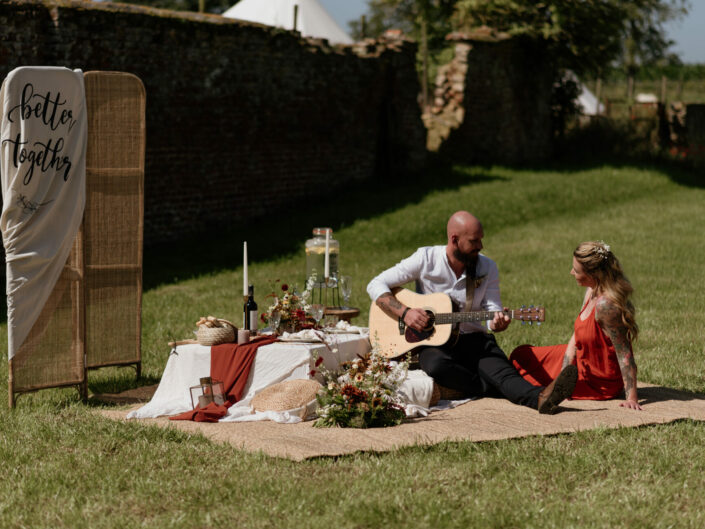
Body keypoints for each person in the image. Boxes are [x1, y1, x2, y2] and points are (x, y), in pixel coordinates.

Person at [366, 210, 578, 414]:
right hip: (435, 343)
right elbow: (376, 284)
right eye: (474, 241)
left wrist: (497, 323)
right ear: (454, 239)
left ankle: (541, 399)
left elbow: (493, 310)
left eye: (481, 239)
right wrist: (405, 312)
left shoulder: (487, 267)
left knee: (503, 373)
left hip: (475, 340)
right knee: (437, 366)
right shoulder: (426, 259)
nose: (481, 246)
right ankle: (492, 387)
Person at [509, 241, 642, 410]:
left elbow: (624, 354)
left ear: (593, 274)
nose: (572, 272)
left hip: (598, 379)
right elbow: (576, 335)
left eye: (577, 270)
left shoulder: (606, 306)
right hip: (580, 359)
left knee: (524, 375)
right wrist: (564, 373)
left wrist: (632, 397)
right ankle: (559, 385)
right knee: (521, 355)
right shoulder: (591, 291)